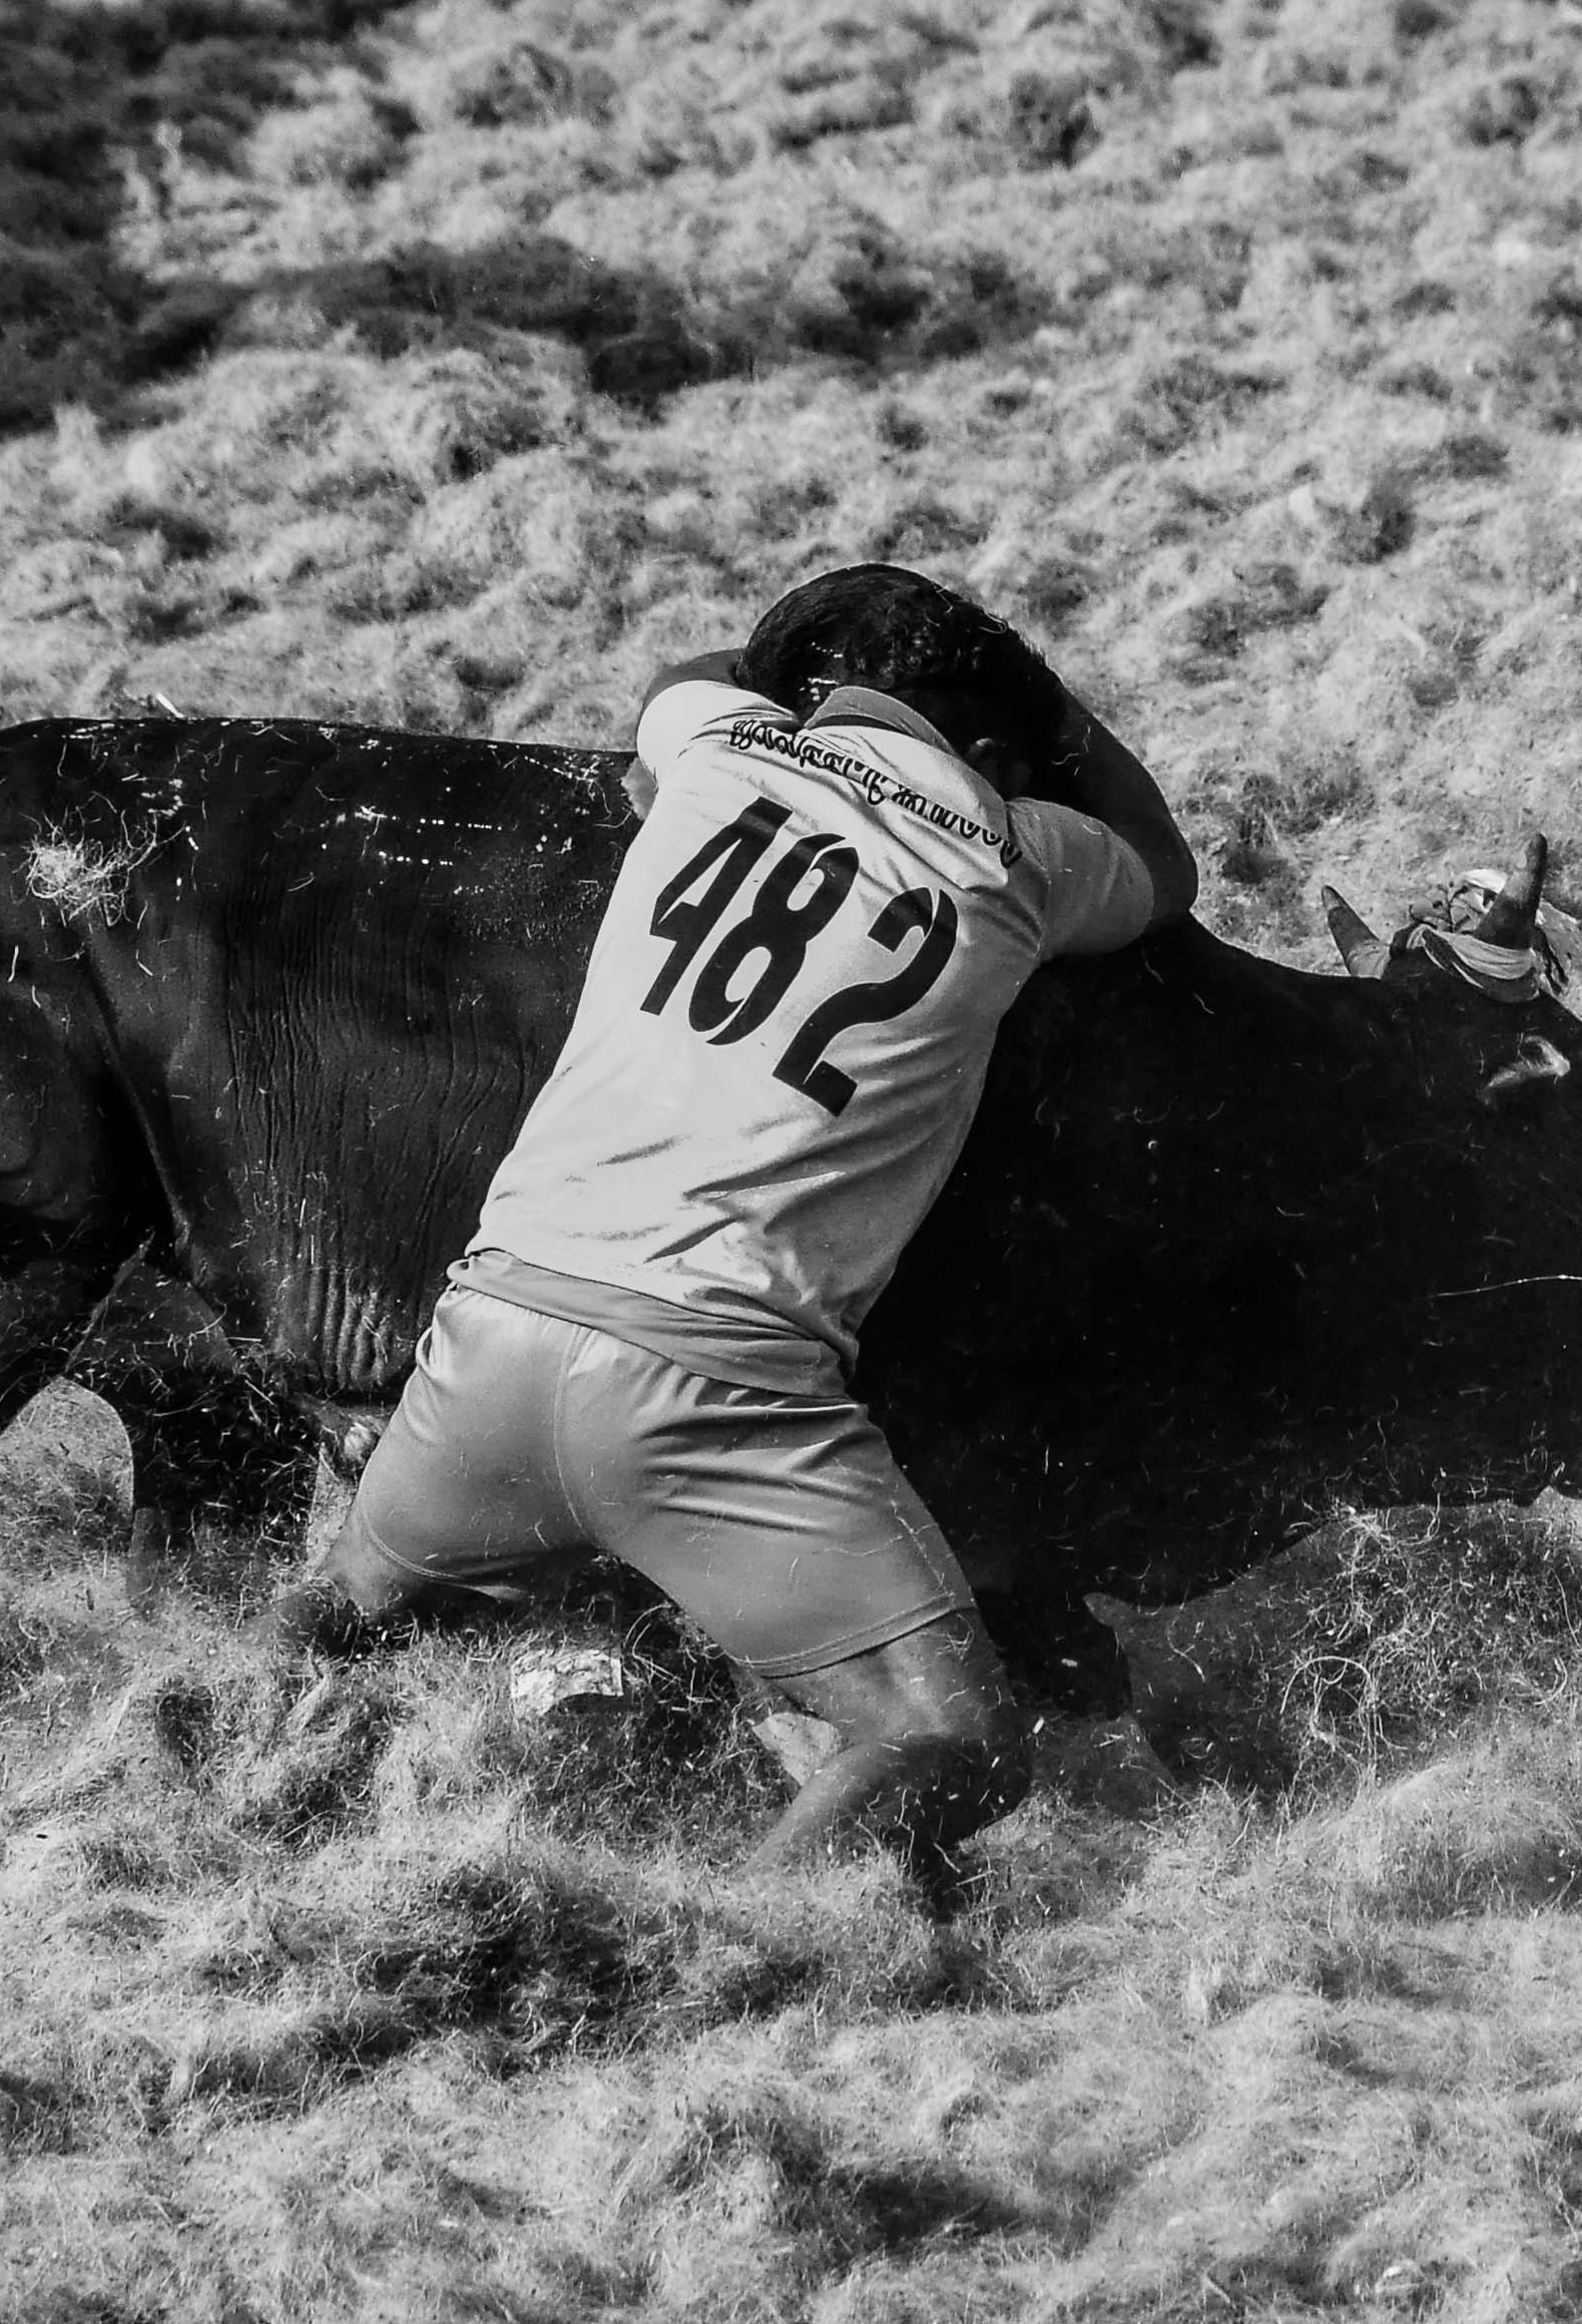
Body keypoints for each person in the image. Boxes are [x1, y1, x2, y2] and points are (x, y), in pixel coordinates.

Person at [274, 564, 1198, 1901]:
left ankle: (231, 1772)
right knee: (958, 1737)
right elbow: (1166, 871)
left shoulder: (717, 739)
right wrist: (1068, 726)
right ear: (993, 750)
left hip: (486, 1343)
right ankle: (723, 1941)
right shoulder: (1017, 847)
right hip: (714, 1384)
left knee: (337, 1613)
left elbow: (670, 685)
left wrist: (793, 669)